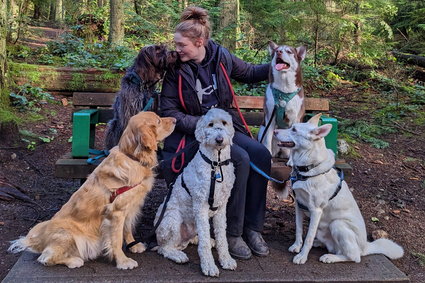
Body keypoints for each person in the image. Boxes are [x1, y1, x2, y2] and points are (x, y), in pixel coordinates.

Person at [159, 6, 271, 260]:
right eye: (176, 44)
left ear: (199, 42)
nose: (177, 49)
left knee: (260, 155)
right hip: (195, 135)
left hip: (224, 128)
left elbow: (251, 72)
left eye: (181, 45)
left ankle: (252, 228)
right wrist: (201, 124)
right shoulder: (175, 68)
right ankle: (233, 233)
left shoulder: (221, 57)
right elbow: (169, 110)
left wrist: (277, 64)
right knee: (240, 159)